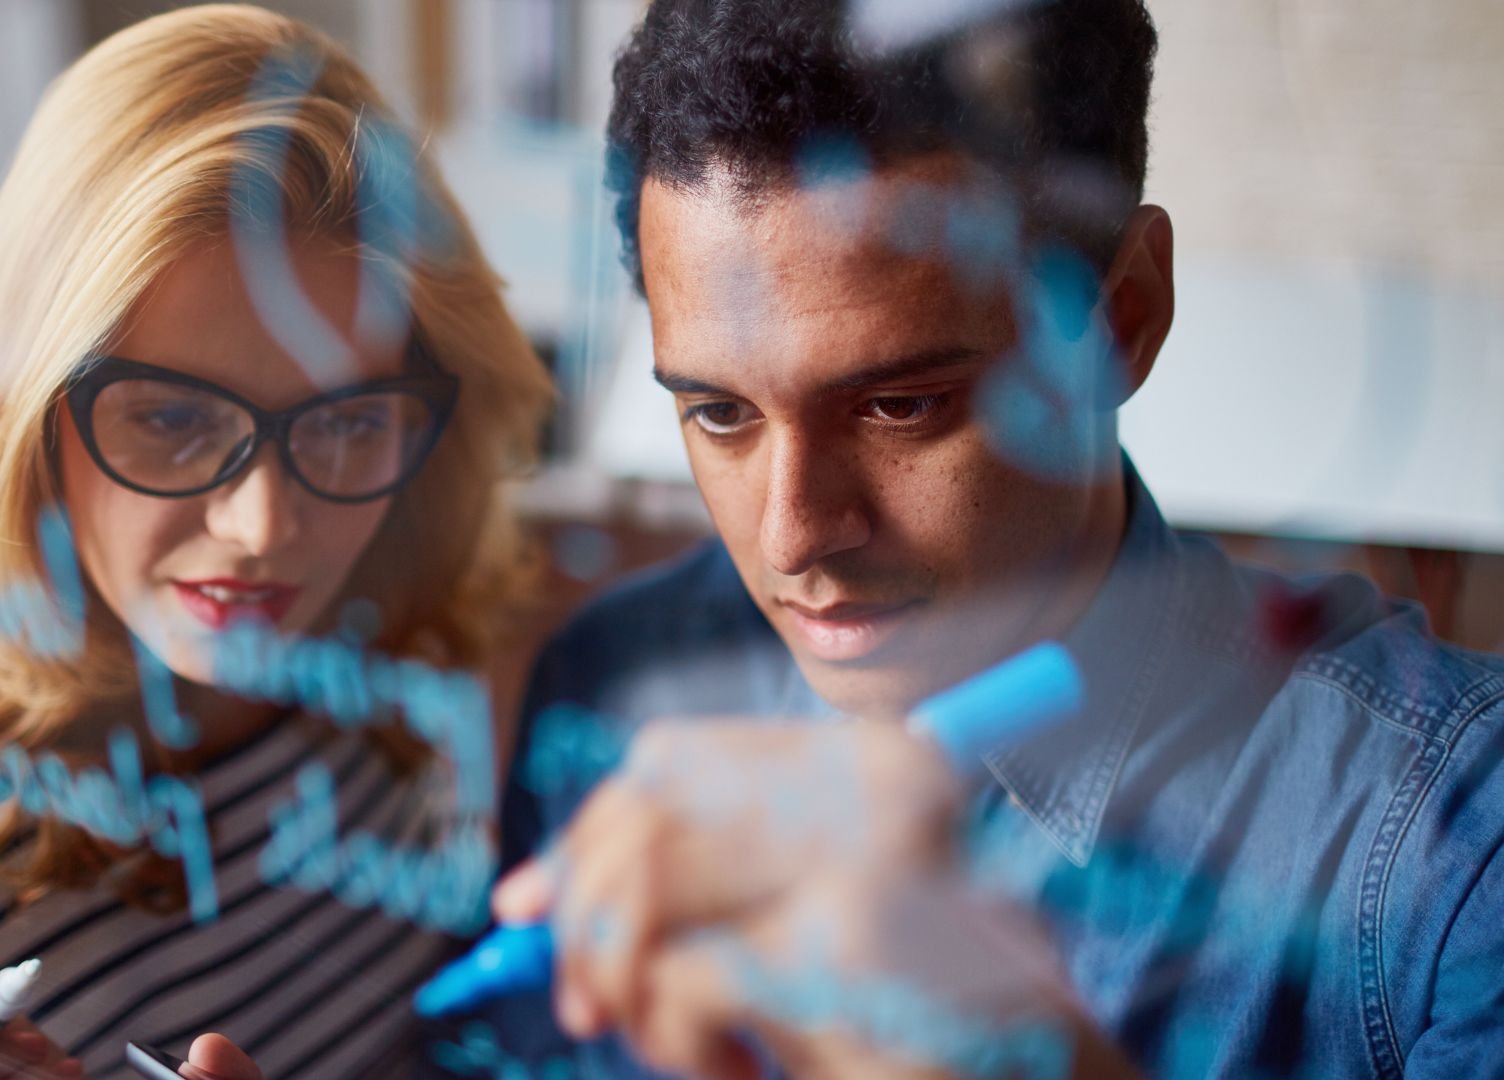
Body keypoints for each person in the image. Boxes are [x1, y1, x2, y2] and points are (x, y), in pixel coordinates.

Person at [489, 0, 1504, 1076]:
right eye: (719, 412)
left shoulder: (1457, 845)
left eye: (900, 407)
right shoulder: (612, 689)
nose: (792, 538)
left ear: (1123, 318)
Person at [0, 6, 551, 1079]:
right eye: (172, 420)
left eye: (348, 423)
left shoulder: (388, 667)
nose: (263, 529)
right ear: (27, 425)